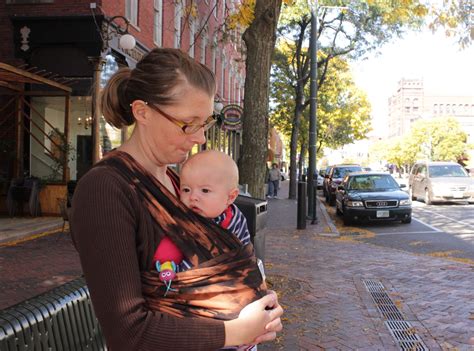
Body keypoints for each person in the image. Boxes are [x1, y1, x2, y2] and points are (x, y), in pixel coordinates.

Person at [70, 48, 283, 351]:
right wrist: (236, 331)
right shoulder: (106, 190)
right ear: (143, 112)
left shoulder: (178, 182)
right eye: (189, 123)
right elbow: (128, 333)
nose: (200, 138)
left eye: (206, 123)